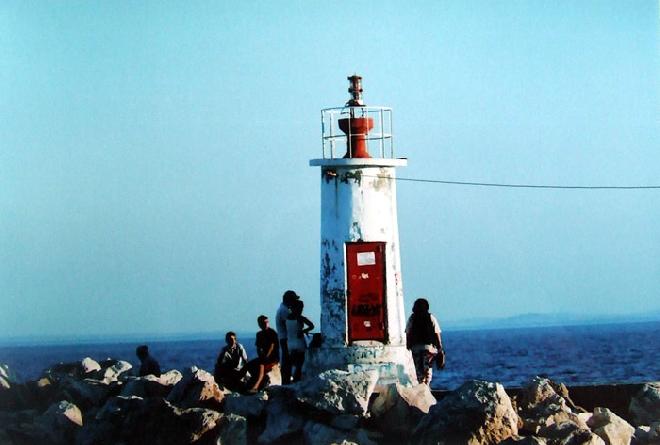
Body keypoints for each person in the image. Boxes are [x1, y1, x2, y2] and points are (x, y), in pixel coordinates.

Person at [405, 298, 445, 385]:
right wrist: (440, 348)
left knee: (419, 370)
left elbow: (408, 332)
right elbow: (436, 332)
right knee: (427, 369)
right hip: (429, 348)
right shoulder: (430, 317)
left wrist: (408, 345)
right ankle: (426, 385)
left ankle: (421, 385)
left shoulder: (412, 318)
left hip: (415, 348)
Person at [244, 315, 280, 393]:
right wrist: (261, 355)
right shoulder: (259, 334)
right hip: (263, 357)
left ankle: (255, 387)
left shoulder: (272, 332)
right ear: (259, 324)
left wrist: (266, 357)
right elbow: (258, 347)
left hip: (273, 357)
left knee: (261, 366)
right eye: (263, 323)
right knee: (248, 365)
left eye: (267, 322)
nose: (266, 324)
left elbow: (272, 346)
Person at [286, 299, 314, 382]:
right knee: (300, 362)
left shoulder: (287, 317)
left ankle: (289, 378)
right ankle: (296, 379)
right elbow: (311, 326)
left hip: (290, 341)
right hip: (299, 342)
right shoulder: (300, 318)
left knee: (292, 361)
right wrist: (304, 331)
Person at [276, 290, 299, 384]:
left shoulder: (282, 309)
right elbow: (291, 325)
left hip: (284, 338)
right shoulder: (284, 311)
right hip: (286, 339)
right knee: (287, 361)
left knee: (286, 360)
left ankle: (286, 380)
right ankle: (286, 381)